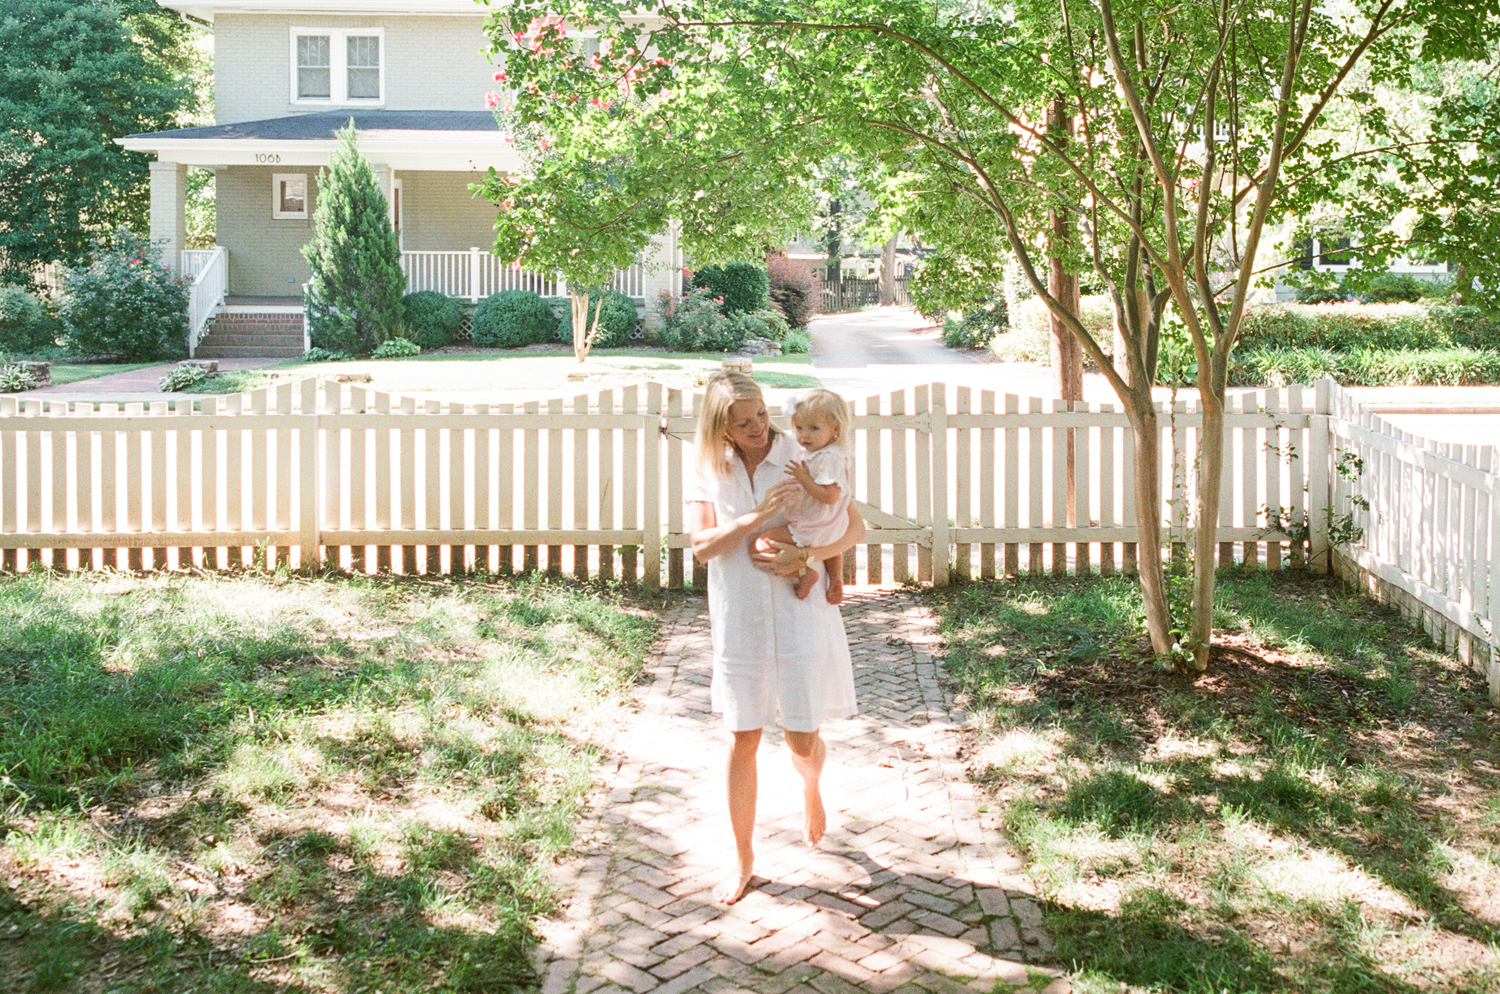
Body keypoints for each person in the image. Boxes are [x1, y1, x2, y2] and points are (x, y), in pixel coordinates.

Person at [686, 371, 866, 905]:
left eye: (762, 415)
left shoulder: (803, 451)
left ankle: (811, 788)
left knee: (800, 738)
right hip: (738, 616)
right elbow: (701, 548)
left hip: (799, 611)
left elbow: (854, 528)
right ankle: (743, 858)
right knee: (743, 736)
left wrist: (808, 558)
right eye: (743, 423)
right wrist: (756, 517)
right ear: (722, 427)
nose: (759, 428)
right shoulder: (706, 469)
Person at [758, 388, 853, 605]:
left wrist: (804, 480)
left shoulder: (828, 459)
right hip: (828, 525)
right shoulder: (824, 454)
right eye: (799, 428)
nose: (804, 435)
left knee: (762, 542)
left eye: (813, 428)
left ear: (836, 429)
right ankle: (836, 579)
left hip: (812, 524)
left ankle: (804, 573)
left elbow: (830, 496)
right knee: (830, 546)